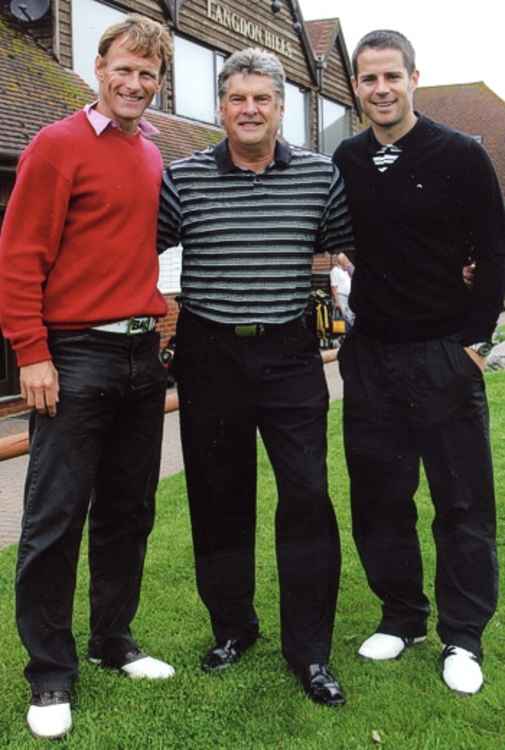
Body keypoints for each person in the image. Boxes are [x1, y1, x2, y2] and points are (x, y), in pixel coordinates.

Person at [158, 47, 352, 707]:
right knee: (218, 499)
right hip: (209, 354)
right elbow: (132, 249)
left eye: (260, 99)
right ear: (221, 107)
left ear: (280, 107)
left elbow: (348, 247)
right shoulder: (180, 178)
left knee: (305, 498)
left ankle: (311, 651)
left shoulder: (320, 176)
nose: (248, 110)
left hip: (289, 353)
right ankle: (233, 627)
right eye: (237, 98)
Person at [0, 15, 174, 740]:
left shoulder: (153, 155)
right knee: (53, 519)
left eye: (148, 75)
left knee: (129, 512)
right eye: (123, 69)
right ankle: (49, 675)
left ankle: (112, 641)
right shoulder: (57, 143)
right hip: (75, 356)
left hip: (140, 357)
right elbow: (18, 253)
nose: (134, 84)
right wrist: (31, 350)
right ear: (97, 67)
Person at [333, 29, 505, 695]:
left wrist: (475, 346)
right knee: (380, 498)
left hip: (444, 353)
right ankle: (400, 616)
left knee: (460, 503)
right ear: (355, 87)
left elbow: (493, 256)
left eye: (391, 77)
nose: (380, 89)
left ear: (413, 78)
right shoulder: (344, 158)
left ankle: (462, 637)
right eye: (368, 79)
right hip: (371, 356)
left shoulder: (460, 154)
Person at [330, 253, 354, 328]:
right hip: (341, 297)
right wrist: (337, 301)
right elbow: (333, 287)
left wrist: (349, 265)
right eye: (345, 259)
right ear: (340, 261)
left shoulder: (346, 270)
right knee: (345, 318)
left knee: (350, 316)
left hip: (348, 296)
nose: (347, 261)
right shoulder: (335, 270)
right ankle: (343, 335)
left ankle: (348, 333)